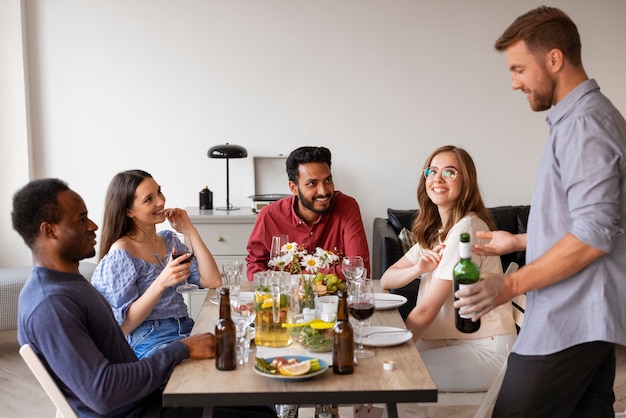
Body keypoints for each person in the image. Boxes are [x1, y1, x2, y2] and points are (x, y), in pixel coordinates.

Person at [454, 6, 626, 417]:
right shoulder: (580, 121)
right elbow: (592, 224)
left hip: (569, 319)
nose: (514, 83)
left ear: (554, 58)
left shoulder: (585, 124)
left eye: (519, 69)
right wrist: (518, 241)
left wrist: (508, 287)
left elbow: (594, 233)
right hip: (585, 317)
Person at [13, 178, 215, 417]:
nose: (94, 225)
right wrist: (181, 349)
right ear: (50, 230)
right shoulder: (51, 305)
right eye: (81, 219)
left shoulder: (69, 284)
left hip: (149, 398)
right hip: (141, 411)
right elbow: (104, 393)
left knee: (252, 400)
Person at [380, 145, 516, 392]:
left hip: (484, 349)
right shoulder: (438, 232)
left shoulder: (466, 230)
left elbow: (426, 310)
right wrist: (418, 268)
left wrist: (395, 350)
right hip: (449, 340)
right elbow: (388, 279)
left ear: (467, 182)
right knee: (376, 369)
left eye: (450, 172)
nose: (437, 179)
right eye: (432, 171)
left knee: (389, 373)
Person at [91, 169, 222, 359]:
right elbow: (122, 327)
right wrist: (161, 282)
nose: (161, 201)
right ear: (128, 211)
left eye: (159, 192)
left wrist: (189, 229)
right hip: (149, 340)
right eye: (148, 199)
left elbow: (212, 280)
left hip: (186, 328)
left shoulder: (169, 241)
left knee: (235, 350)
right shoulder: (121, 254)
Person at [246, 146, 370, 280]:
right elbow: (255, 264)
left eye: (327, 180)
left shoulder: (346, 207)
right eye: (312, 183)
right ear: (294, 188)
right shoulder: (270, 215)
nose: (323, 191)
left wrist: (296, 279)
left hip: (333, 298)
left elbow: (358, 267)